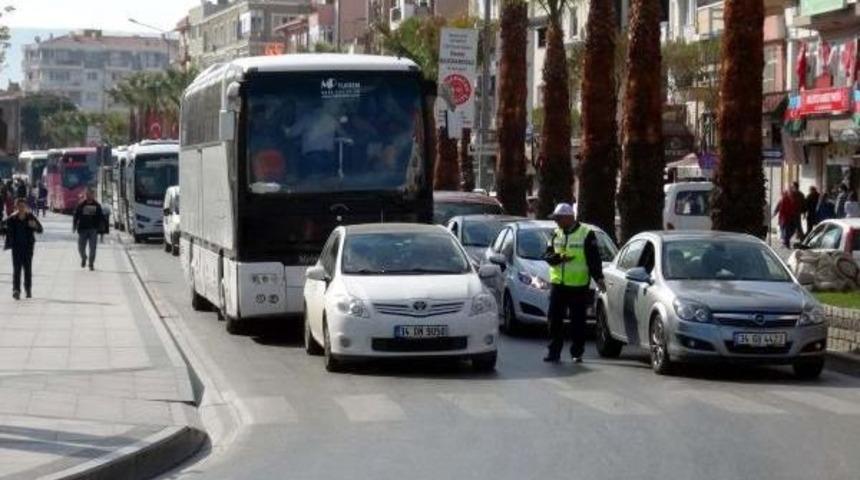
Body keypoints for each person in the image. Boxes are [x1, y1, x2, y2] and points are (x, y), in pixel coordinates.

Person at [542, 203, 606, 363]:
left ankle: (577, 352)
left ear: (568, 218)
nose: (556, 222)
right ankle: (553, 352)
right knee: (554, 320)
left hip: (578, 286)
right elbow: (547, 256)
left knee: (578, 322)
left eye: (558, 219)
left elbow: (594, 259)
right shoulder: (556, 234)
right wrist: (559, 258)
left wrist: (598, 278)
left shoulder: (586, 234)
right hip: (558, 285)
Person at [3, 197, 43, 299]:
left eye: (23, 206)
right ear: (16, 207)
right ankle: (16, 290)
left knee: (27, 269)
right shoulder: (12, 218)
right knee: (17, 270)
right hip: (16, 248)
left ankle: (28, 289)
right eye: (19, 206)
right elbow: (2, 228)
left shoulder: (30, 217)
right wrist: (4, 229)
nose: (21, 208)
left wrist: (34, 226)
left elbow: (40, 229)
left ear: (25, 207)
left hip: (28, 247)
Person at [72, 188, 104, 271]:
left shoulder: (97, 206)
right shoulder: (81, 205)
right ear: (85, 195)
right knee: (80, 248)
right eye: (87, 194)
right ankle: (84, 257)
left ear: (93, 195)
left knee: (93, 248)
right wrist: (74, 226)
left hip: (93, 229)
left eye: (91, 194)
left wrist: (101, 231)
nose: (89, 196)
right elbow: (76, 216)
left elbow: (101, 218)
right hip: (82, 229)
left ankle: (91, 264)